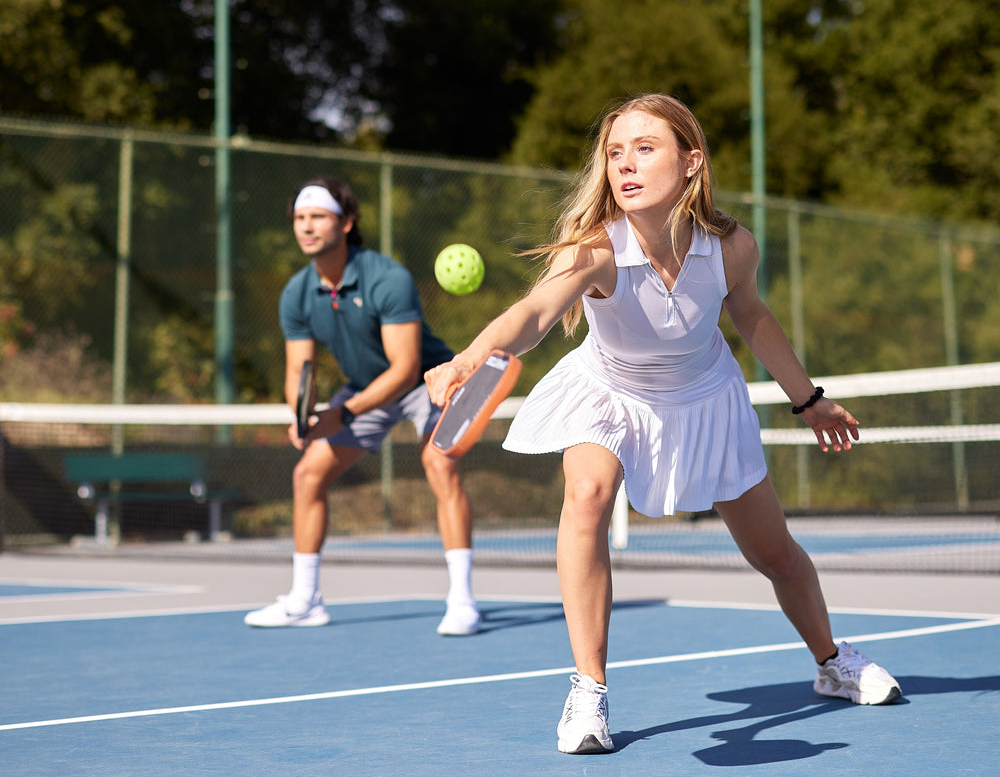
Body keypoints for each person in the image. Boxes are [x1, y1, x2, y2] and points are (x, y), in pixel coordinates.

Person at [425, 94, 900, 754]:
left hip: (706, 399)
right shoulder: (595, 252)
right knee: (586, 493)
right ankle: (588, 691)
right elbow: (535, 313)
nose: (625, 164)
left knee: (774, 554)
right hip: (609, 393)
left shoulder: (731, 248)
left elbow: (754, 320)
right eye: (615, 152)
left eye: (645, 148)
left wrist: (809, 399)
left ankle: (831, 662)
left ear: (692, 163)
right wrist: (471, 357)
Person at [244, 177, 481, 637]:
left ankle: (462, 601)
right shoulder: (296, 293)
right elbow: (299, 370)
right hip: (365, 388)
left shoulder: (386, 277)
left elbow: (404, 366)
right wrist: (299, 414)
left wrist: (344, 413)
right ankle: (306, 599)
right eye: (299, 218)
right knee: (307, 473)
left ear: (347, 223)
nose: (306, 227)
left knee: (439, 462)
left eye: (318, 217)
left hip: (425, 381)